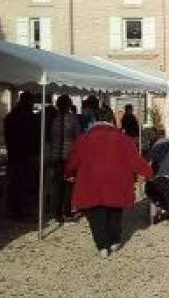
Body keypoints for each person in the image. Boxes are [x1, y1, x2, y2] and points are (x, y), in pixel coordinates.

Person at [65, 110, 152, 258]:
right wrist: (148, 172)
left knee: (95, 214)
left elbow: (73, 161)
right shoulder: (124, 140)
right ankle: (114, 240)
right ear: (112, 121)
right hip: (117, 181)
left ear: (94, 122)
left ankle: (102, 246)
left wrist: (69, 173)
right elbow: (135, 160)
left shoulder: (83, 139)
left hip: (91, 182)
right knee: (115, 211)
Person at [4, 92, 40, 219]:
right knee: (23, 183)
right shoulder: (29, 117)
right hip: (26, 155)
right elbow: (34, 136)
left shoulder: (10, 116)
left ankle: (11, 209)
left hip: (14, 154)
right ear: (29, 102)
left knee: (13, 183)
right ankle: (20, 210)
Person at [48, 95, 81, 223]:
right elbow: (78, 138)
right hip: (69, 157)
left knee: (57, 185)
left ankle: (56, 213)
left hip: (55, 156)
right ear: (69, 105)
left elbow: (50, 136)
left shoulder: (54, 120)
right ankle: (66, 211)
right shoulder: (73, 120)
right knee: (68, 185)